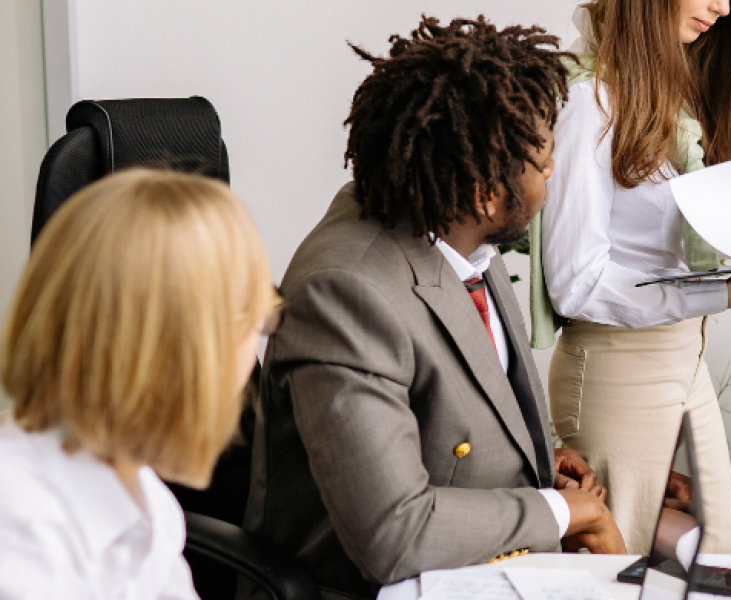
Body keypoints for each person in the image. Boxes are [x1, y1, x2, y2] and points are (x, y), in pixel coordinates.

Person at [243, 17, 624, 597]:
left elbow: (458, 401)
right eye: (545, 166)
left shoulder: (458, 226)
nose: (555, 176)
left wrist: (539, 467)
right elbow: (392, 533)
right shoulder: (346, 292)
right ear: (484, 192)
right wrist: (563, 514)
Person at [0, 169, 278, 598]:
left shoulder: (140, 496)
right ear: (183, 350)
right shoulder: (8, 535)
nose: (251, 357)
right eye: (254, 324)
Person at [534, 0, 731, 556]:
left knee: (717, 560)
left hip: (681, 360)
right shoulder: (588, 101)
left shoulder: (675, 93)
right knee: (618, 578)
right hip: (617, 368)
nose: (724, 7)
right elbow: (575, 283)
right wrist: (728, 291)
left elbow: (675, 239)